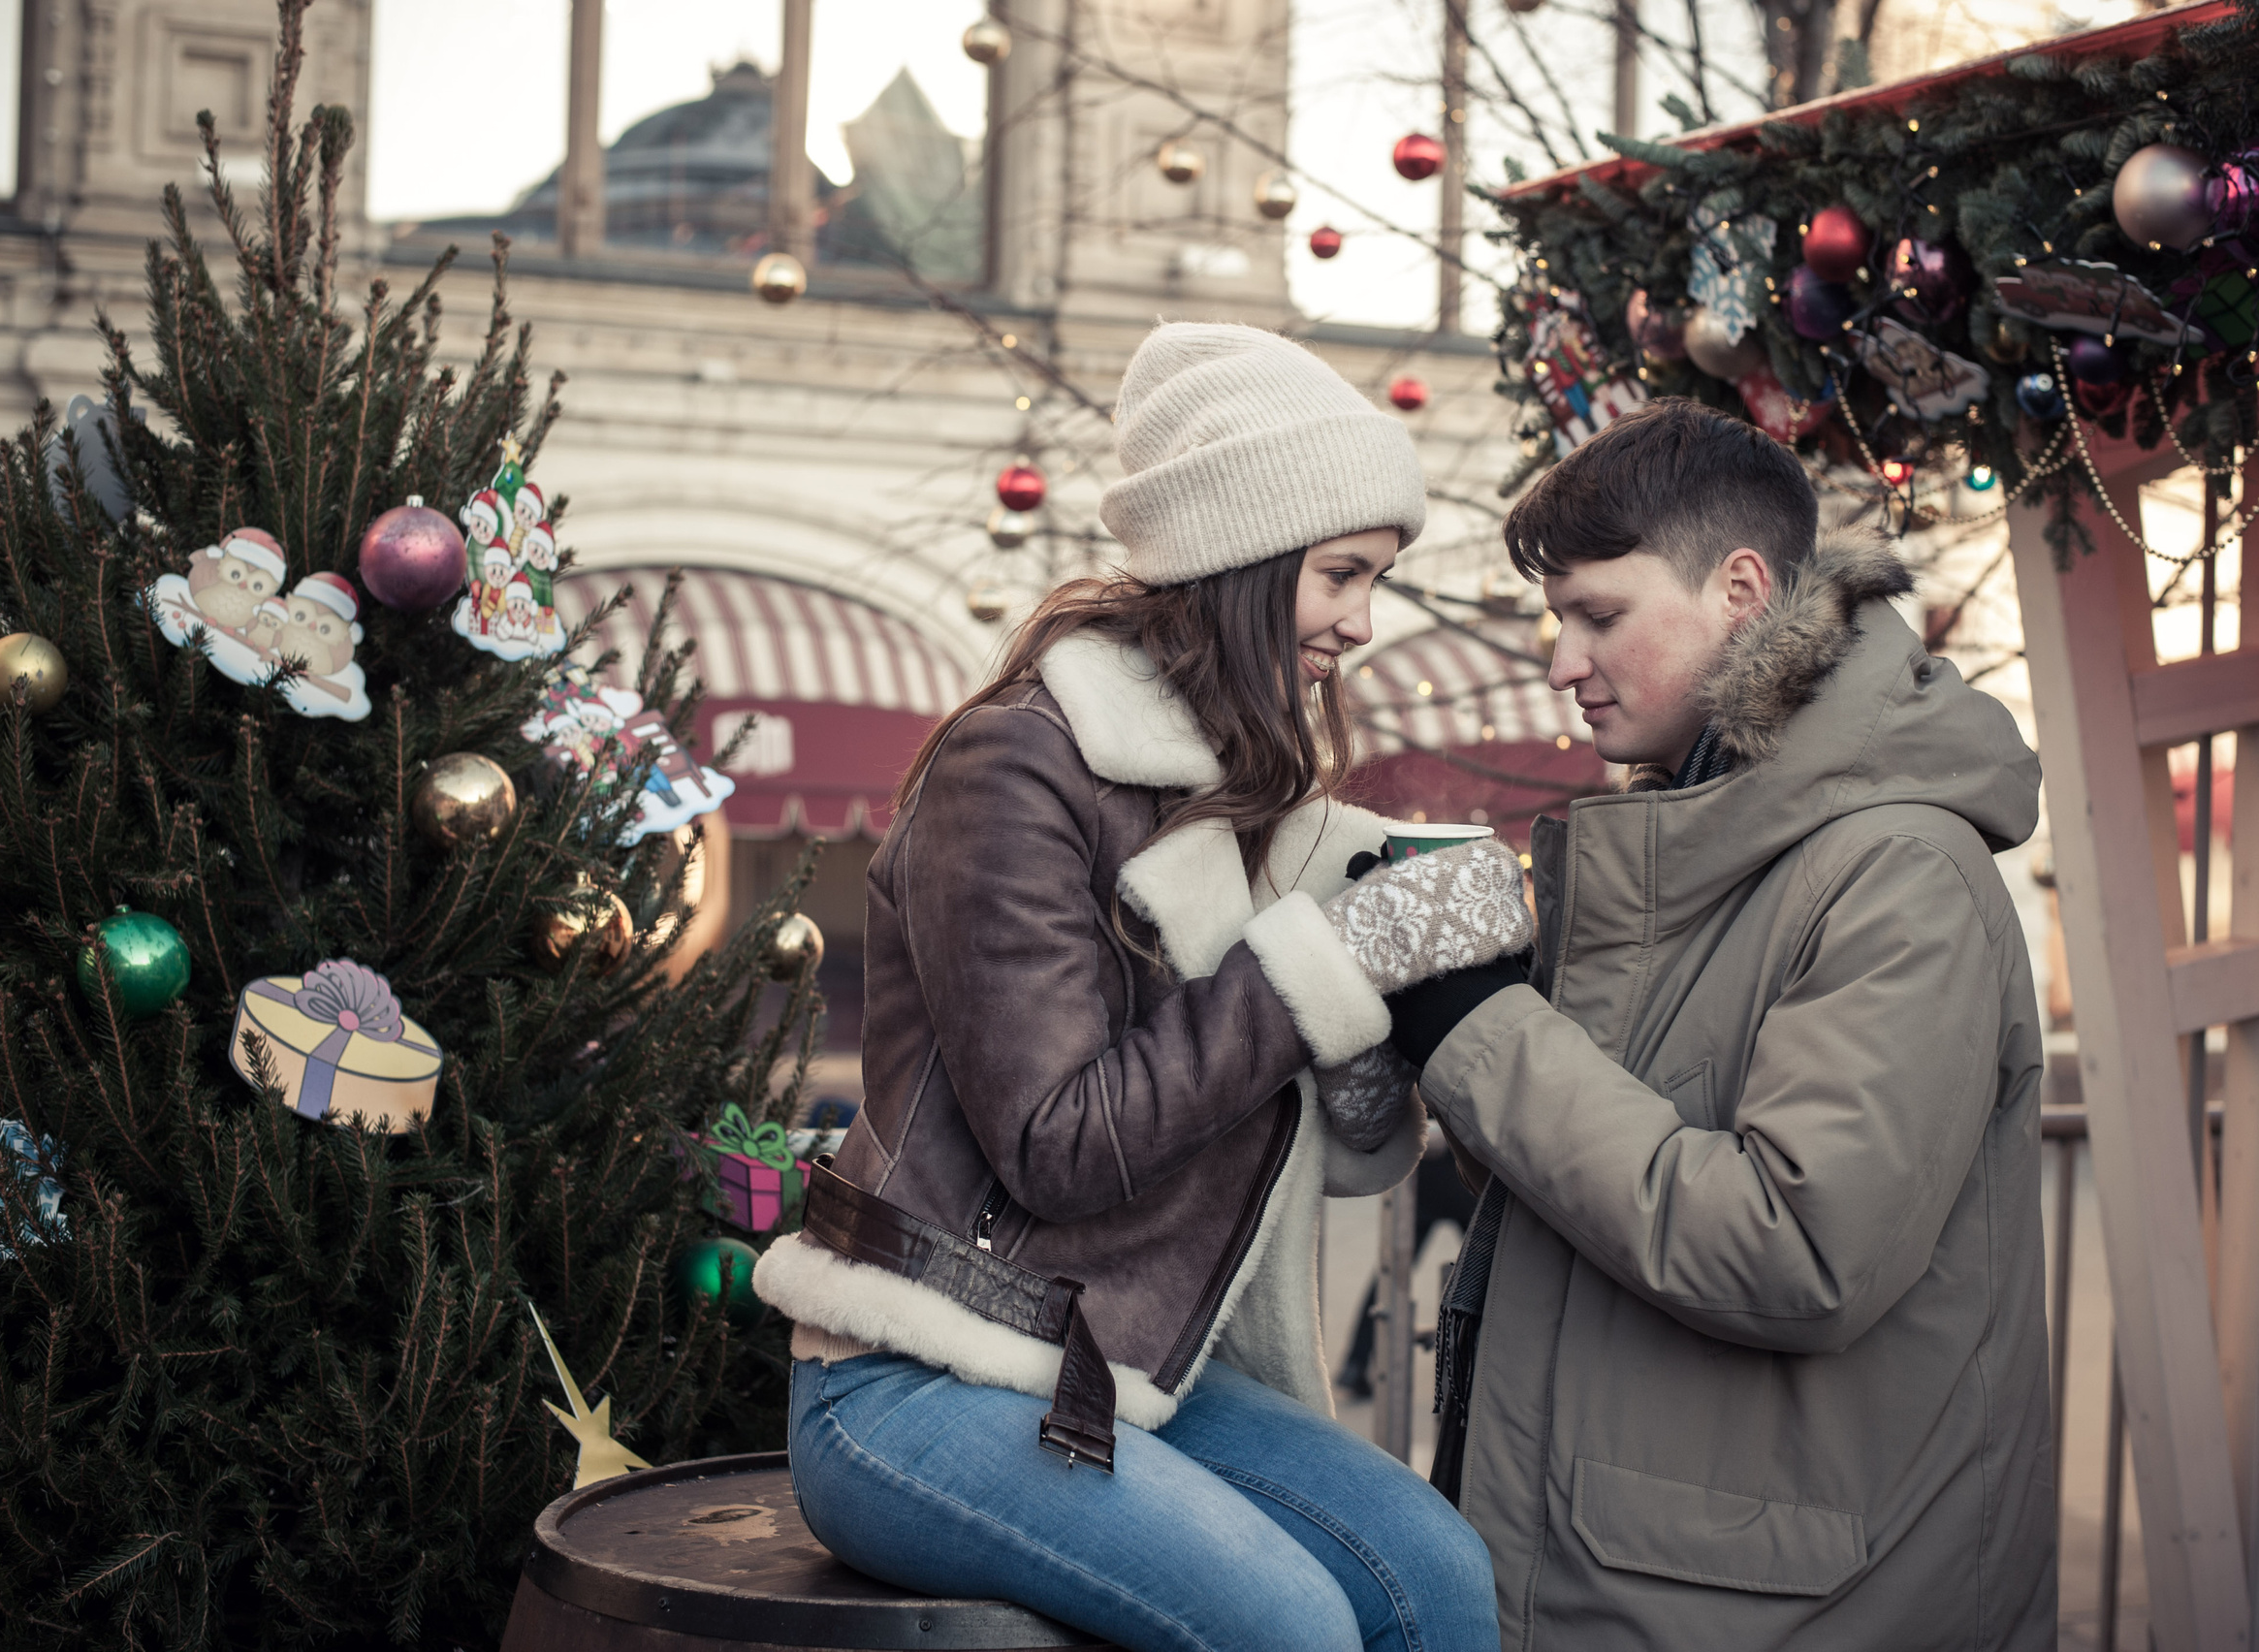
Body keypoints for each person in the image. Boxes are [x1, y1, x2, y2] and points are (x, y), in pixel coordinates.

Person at [755, 322, 1526, 1652]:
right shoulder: (1017, 767)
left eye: (1377, 577)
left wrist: (1388, 989)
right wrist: (1336, 957)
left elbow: (1301, 1136)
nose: (1363, 617)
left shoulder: (1237, 792)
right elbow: (1059, 1144)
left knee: (1437, 1581)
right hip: (918, 1366)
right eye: (1341, 574)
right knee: (1292, 1625)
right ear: (1240, 561)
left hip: (1119, 1365)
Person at [1384, 397, 2055, 1650]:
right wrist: (1478, 1014)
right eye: (1556, 618)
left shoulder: (1894, 866)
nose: (1559, 661)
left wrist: (1484, 1033)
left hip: (1779, 1599)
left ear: (1742, 587)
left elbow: (1797, 1250)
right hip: (1662, 1569)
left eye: (1600, 616)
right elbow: (1588, 1186)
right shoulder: (1699, 842)